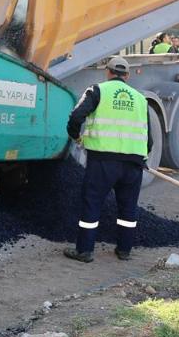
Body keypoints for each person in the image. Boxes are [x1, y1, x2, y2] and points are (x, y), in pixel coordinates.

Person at [63, 56, 149, 263]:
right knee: (128, 208)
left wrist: (76, 137)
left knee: (92, 204)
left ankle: (85, 251)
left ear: (108, 72)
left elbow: (76, 117)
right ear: (127, 75)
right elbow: (149, 136)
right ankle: (124, 250)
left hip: (102, 162)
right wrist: (142, 157)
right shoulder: (140, 99)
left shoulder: (97, 91)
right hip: (133, 163)